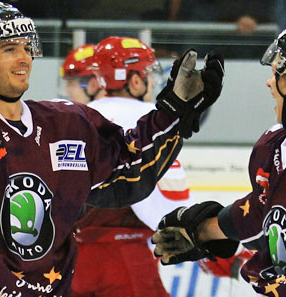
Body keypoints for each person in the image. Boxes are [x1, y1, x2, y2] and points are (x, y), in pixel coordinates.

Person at [0, 2, 224, 296]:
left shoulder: (67, 123)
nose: (24, 58)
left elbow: (129, 171)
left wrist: (174, 112)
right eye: (9, 49)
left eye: (27, 47)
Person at [152, 26, 286, 297]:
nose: (269, 82)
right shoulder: (274, 145)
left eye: (275, 72)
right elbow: (263, 213)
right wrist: (202, 230)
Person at [70, 36, 194, 297]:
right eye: (149, 73)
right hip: (124, 257)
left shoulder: (73, 117)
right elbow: (170, 204)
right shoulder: (151, 121)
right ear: (135, 81)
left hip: (73, 260)